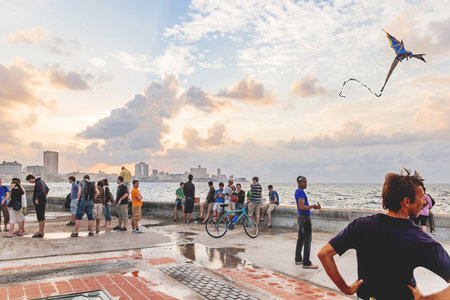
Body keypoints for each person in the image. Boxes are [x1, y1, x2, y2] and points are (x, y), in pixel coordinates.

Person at [317, 169, 450, 299]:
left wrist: (345, 289)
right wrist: (424, 299)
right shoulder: (419, 239)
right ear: (407, 201)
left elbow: (324, 254)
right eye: (421, 197)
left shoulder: (361, 225)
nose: (425, 202)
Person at [295, 175, 321, 269]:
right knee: (307, 240)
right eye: (304, 182)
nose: (306, 183)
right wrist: (313, 206)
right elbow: (302, 207)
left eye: (306, 182)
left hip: (301, 217)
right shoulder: (300, 193)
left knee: (300, 239)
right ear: (299, 183)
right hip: (304, 218)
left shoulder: (299, 192)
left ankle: (298, 259)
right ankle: (306, 263)